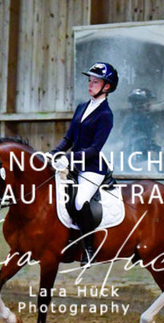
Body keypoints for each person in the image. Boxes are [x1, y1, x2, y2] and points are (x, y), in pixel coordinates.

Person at [49, 62, 118, 266]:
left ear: (106, 86)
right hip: (73, 164)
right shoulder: (81, 107)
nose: (90, 84)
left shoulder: (106, 115)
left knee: (80, 201)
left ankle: (89, 248)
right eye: (90, 80)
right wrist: (53, 153)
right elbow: (68, 138)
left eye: (95, 82)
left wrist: (69, 158)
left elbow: (95, 149)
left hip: (92, 167)